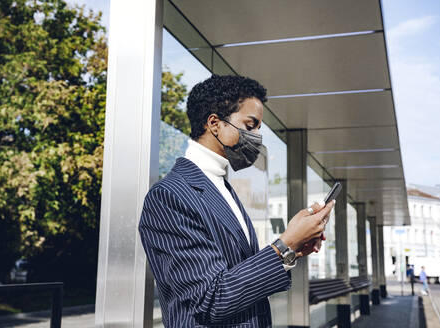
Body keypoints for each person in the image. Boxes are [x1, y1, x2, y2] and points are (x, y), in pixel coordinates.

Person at [138, 75, 335, 327]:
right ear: (214, 123)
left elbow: (237, 275)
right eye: (250, 125)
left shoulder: (221, 187)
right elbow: (211, 299)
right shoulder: (169, 196)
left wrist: (292, 251)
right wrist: (285, 245)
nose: (256, 137)